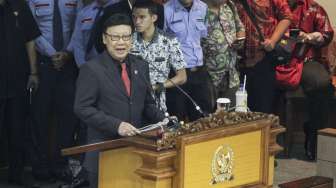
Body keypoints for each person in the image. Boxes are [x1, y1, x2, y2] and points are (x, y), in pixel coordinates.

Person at [74, 13, 165, 187]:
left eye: (126, 37)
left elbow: (147, 104)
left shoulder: (141, 65)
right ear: (104, 39)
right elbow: (82, 108)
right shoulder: (91, 69)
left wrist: (164, 120)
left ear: (132, 39)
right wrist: (117, 125)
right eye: (115, 37)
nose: (121, 42)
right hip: (104, 152)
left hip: (136, 152)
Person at [27, 0, 81, 181]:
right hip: (43, 63)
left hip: (68, 64)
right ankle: (40, 166)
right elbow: (30, 28)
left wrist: (66, 53)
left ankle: (61, 165)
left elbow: (78, 27)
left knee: (68, 117)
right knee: (39, 116)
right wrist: (52, 53)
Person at [286, 0, 334, 160]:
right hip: (275, 60)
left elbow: (327, 34)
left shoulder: (312, 7)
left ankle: (314, 136)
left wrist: (308, 37)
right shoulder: (269, 5)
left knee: (322, 84)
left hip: (305, 60)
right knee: (258, 80)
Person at [0, 0, 40, 184]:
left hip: (17, 81)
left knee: (17, 131)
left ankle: (16, 176)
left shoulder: (19, 5)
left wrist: (33, 72)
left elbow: (30, 40)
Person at [235, 0, 293, 113]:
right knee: (239, 109)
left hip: (263, 57)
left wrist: (273, 41)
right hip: (237, 61)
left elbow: (287, 17)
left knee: (262, 109)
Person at [131, 0, 187, 112]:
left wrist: (158, 87)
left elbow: (182, 77)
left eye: (142, 17)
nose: (137, 21)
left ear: (154, 18)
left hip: (157, 104)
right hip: (132, 102)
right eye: (134, 17)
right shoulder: (128, 40)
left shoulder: (169, 41)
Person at [164, 0, 211, 121]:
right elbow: (161, 40)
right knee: (176, 119)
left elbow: (203, 35)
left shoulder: (203, 7)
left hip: (199, 71)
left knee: (203, 118)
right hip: (177, 72)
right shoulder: (166, 10)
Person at [202, 0, 245, 110]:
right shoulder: (197, 10)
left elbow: (240, 27)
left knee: (233, 116)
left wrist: (239, 39)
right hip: (208, 76)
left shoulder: (229, 5)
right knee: (210, 120)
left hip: (231, 74)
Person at [71, 0, 119, 67]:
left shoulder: (121, 10)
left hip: (112, 67)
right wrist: (82, 66)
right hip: (87, 65)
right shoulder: (84, 13)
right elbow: (78, 43)